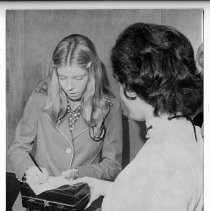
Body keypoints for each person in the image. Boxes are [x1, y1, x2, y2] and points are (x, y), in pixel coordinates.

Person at [73, 23, 203, 211]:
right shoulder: (187, 132)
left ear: (130, 88)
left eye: (119, 81)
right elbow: (155, 196)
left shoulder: (161, 157)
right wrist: (109, 188)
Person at [8, 34, 122, 185]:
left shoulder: (110, 106)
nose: (70, 86)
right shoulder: (40, 98)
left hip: (84, 200)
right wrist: (28, 170)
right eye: (63, 77)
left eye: (78, 78)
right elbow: (18, 149)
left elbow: (113, 166)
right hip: (40, 200)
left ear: (92, 72)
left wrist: (79, 173)